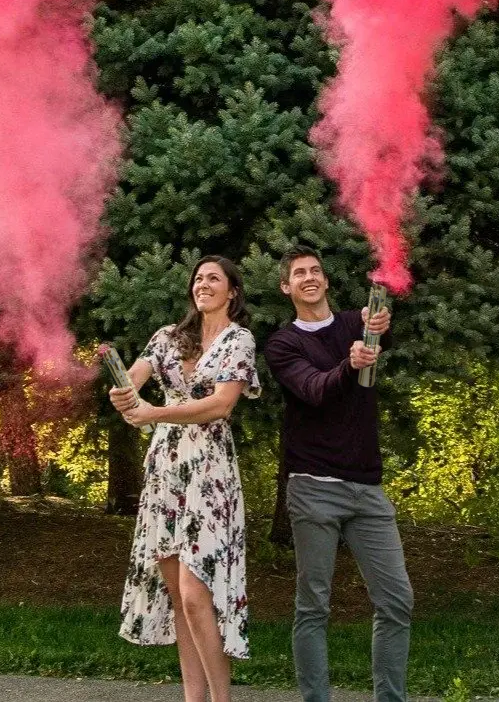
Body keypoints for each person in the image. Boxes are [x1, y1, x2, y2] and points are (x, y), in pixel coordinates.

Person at [263, 245, 413, 702]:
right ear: (286, 287)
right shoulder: (283, 344)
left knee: (397, 602)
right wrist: (349, 364)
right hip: (313, 488)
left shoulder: (355, 324)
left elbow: (381, 332)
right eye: (299, 273)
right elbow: (314, 390)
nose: (310, 277)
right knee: (313, 607)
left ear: (326, 281)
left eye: (316, 271)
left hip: (368, 490)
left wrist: (379, 329)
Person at [108, 255, 260, 702]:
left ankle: (222, 700)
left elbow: (221, 405)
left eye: (213, 278)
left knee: (197, 594)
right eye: (198, 278)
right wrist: (122, 389)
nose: (203, 284)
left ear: (232, 291)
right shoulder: (168, 337)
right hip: (167, 470)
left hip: (210, 471)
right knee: (178, 596)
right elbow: (135, 379)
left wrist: (155, 413)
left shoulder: (240, 340)